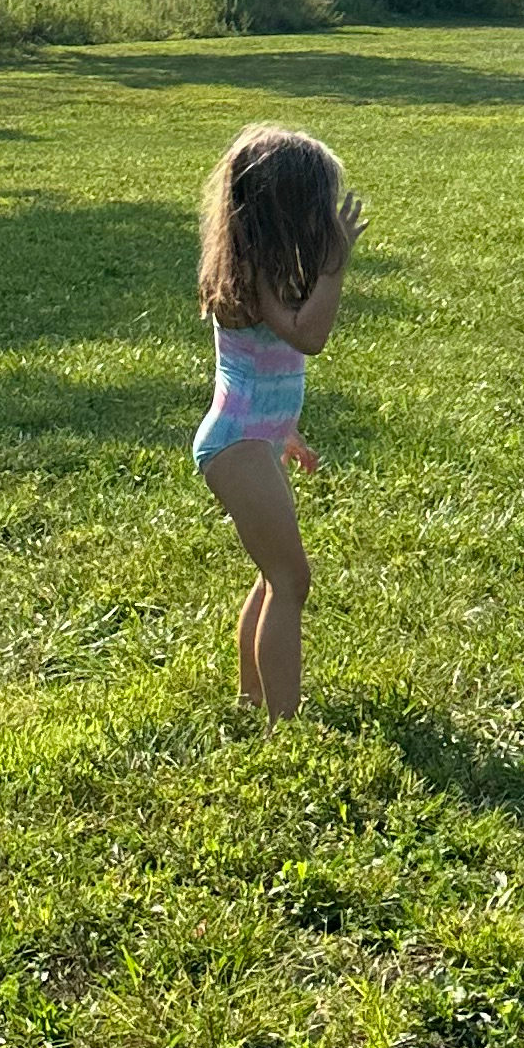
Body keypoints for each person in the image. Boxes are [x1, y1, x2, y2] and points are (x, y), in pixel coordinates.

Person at [193, 122, 364, 719]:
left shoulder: (261, 266)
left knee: (273, 579)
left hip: (252, 439)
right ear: (284, 207)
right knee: (292, 582)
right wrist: (336, 265)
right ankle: (283, 729)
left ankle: (253, 698)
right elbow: (309, 337)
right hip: (235, 444)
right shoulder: (254, 275)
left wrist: (283, 430)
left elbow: (259, 368)